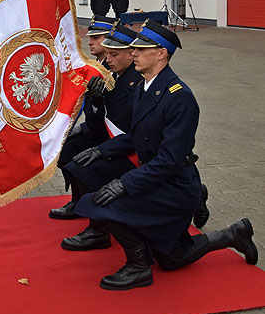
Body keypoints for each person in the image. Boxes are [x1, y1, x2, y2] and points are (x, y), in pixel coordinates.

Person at [73, 20, 257, 290]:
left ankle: (138, 267)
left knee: (100, 204)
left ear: (161, 53)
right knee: (173, 259)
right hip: (156, 178)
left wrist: (125, 183)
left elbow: (170, 160)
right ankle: (233, 234)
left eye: (140, 49)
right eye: (133, 48)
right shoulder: (146, 87)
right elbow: (134, 139)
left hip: (175, 187)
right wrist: (99, 150)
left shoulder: (179, 97)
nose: (133, 53)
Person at [59, 23, 142, 248]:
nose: (109, 57)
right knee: (67, 150)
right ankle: (80, 203)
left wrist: (99, 150)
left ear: (130, 53)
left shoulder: (137, 82)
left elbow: (134, 133)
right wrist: (95, 102)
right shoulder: (109, 72)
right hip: (110, 140)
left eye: (114, 53)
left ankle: (98, 229)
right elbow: (98, 124)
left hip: (131, 149)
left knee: (86, 167)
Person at [49, 15, 116, 220]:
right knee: (63, 150)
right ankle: (79, 199)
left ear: (109, 38)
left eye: (96, 38)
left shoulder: (113, 68)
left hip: (111, 134)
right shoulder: (95, 64)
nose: (89, 42)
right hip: (95, 127)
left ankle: (85, 202)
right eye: (90, 37)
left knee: (77, 157)